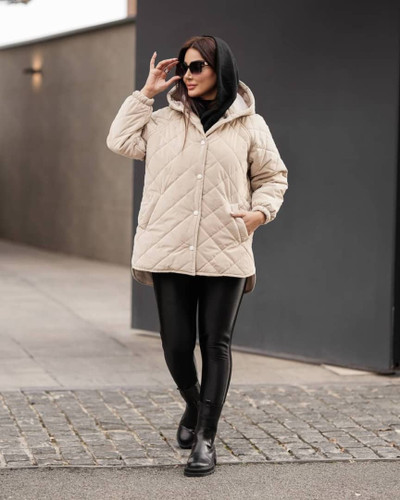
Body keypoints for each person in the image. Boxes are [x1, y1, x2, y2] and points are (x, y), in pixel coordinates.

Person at [106, 35, 288, 477]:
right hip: (168, 247)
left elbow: (272, 177)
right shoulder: (161, 122)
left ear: (218, 69)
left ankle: (206, 437)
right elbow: (119, 140)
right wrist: (145, 94)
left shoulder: (250, 125)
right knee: (175, 344)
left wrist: (260, 212)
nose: (186, 75)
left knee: (215, 343)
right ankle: (194, 403)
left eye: (196, 67)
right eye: (183, 67)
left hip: (225, 245)